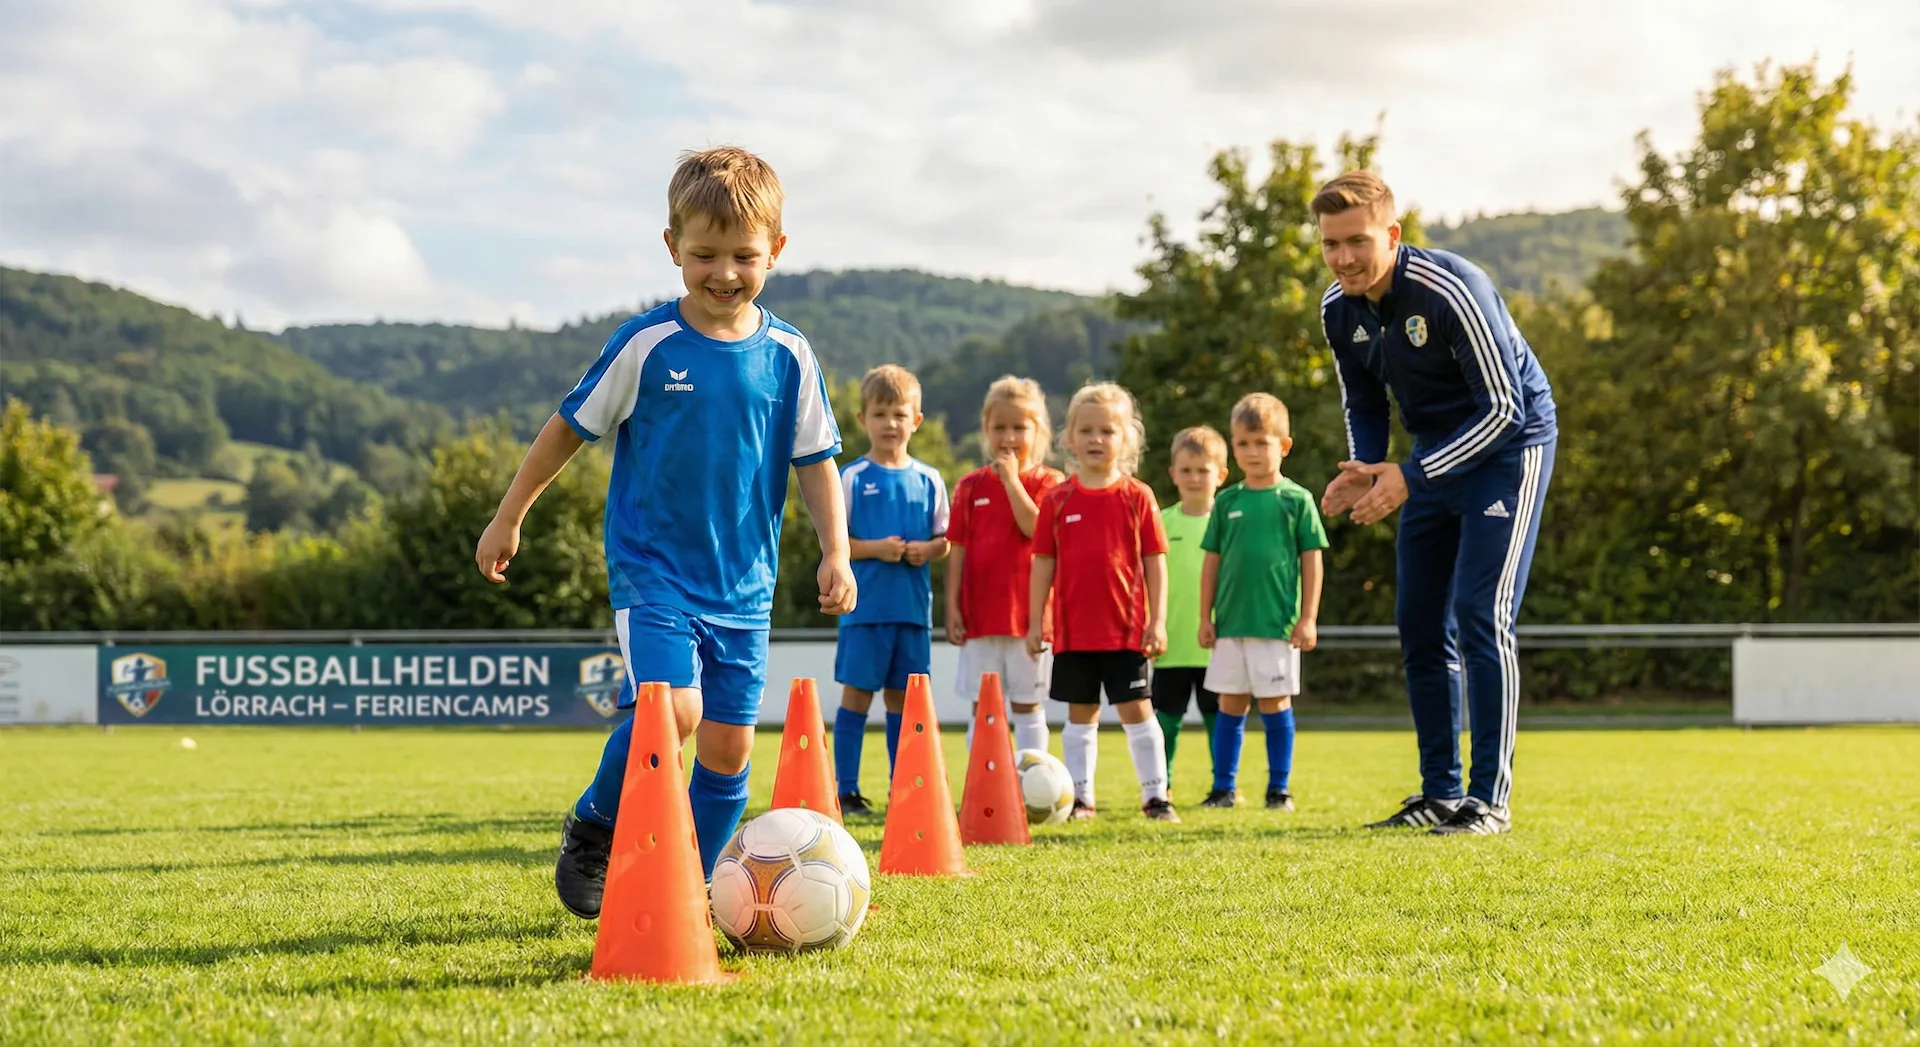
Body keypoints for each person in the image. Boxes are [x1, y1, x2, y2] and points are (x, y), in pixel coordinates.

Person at [474, 146, 855, 918]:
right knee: (671, 711)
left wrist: (836, 550)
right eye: (703, 254)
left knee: (727, 751)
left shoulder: (790, 356)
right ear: (672, 247)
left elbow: (816, 461)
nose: (722, 272)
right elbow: (565, 430)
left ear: (775, 251)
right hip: (653, 574)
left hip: (743, 586)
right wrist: (509, 514)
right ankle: (594, 822)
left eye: (743, 255)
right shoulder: (646, 344)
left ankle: (691, 889)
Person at [1315, 171, 1557, 837]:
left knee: (1481, 614)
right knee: (1420, 624)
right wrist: (1368, 467)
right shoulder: (1339, 309)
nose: (1343, 259)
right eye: (1330, 245)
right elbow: (1364, 401)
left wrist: (1410, 477)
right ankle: (1440, 793)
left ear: (1391, 235)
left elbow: (1505, 408)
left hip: (1510, 448)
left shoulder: (1452, 288)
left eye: (1357, 241)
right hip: (1428, 460)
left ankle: (1488, 800)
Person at [1027, 382, 1177, 822]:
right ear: (1068, 437)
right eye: (1086, 430)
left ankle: (1156, 796)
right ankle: (1080, 800)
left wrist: (1159, 619)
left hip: (1127, 631)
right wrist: (1038, 620)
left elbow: (1155, 563)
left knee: (1137, 711)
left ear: (1126, 438)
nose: (1096, 439)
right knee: (1081, 715)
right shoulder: (1056, 500)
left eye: (1107, 431)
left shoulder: (1138, 497)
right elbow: (1042, 565)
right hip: (1073, 634)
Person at [1198, 394, 1327, 811]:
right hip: (1230, 624)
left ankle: (1279, 790)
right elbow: (1211, 564)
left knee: (1275, 704)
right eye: (1243, 443)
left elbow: (1312, 561)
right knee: (1229, 705)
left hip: (1277, 626)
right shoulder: (1226, 502)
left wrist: (1308, 618)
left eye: (1261, 442)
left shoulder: (1297, 501)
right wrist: (1206, 616)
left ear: (1283, 446)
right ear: (1233, 447)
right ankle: (1223, 789)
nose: (1252, 452)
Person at [831, 365, 949, 817]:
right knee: (858, 694)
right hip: (865, 610)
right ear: (863, 420)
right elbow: (837, 542)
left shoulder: (929, 479)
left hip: (913, 611)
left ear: (916, 420)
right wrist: (875, 549)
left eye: (899, 414)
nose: (890, 423)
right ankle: (847, 790)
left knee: (904, 699)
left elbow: (945, 539)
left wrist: (928, 550)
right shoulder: (853, 476)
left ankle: (903, 787)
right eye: (880, 414)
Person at [945, 376, 1064, 754]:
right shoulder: (969, 486)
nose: (1009, 437)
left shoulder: (1051, 482)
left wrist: (1012, 482)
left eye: (1019, 427)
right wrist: (952, 607)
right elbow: (957, 550)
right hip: (981, 619)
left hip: (1030, 621)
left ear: (1038, 430)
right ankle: (984, 787)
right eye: (1000, 427)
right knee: (984, 706)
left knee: (1029, 706)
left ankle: (1033, 783)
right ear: (986, 430)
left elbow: (1035, 528)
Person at [1151, 425, 1227, 790]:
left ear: (1221, 474)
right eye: (1186, 470)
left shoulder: (1229, 522)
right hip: (1171, 645)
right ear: (1173, 473)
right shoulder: (1161, 523)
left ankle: (1224, 784)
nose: (1194, 478)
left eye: (1203, 470)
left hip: (1218, 647)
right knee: (1166, 721)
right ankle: (1159, 784)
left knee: (1220, 719)